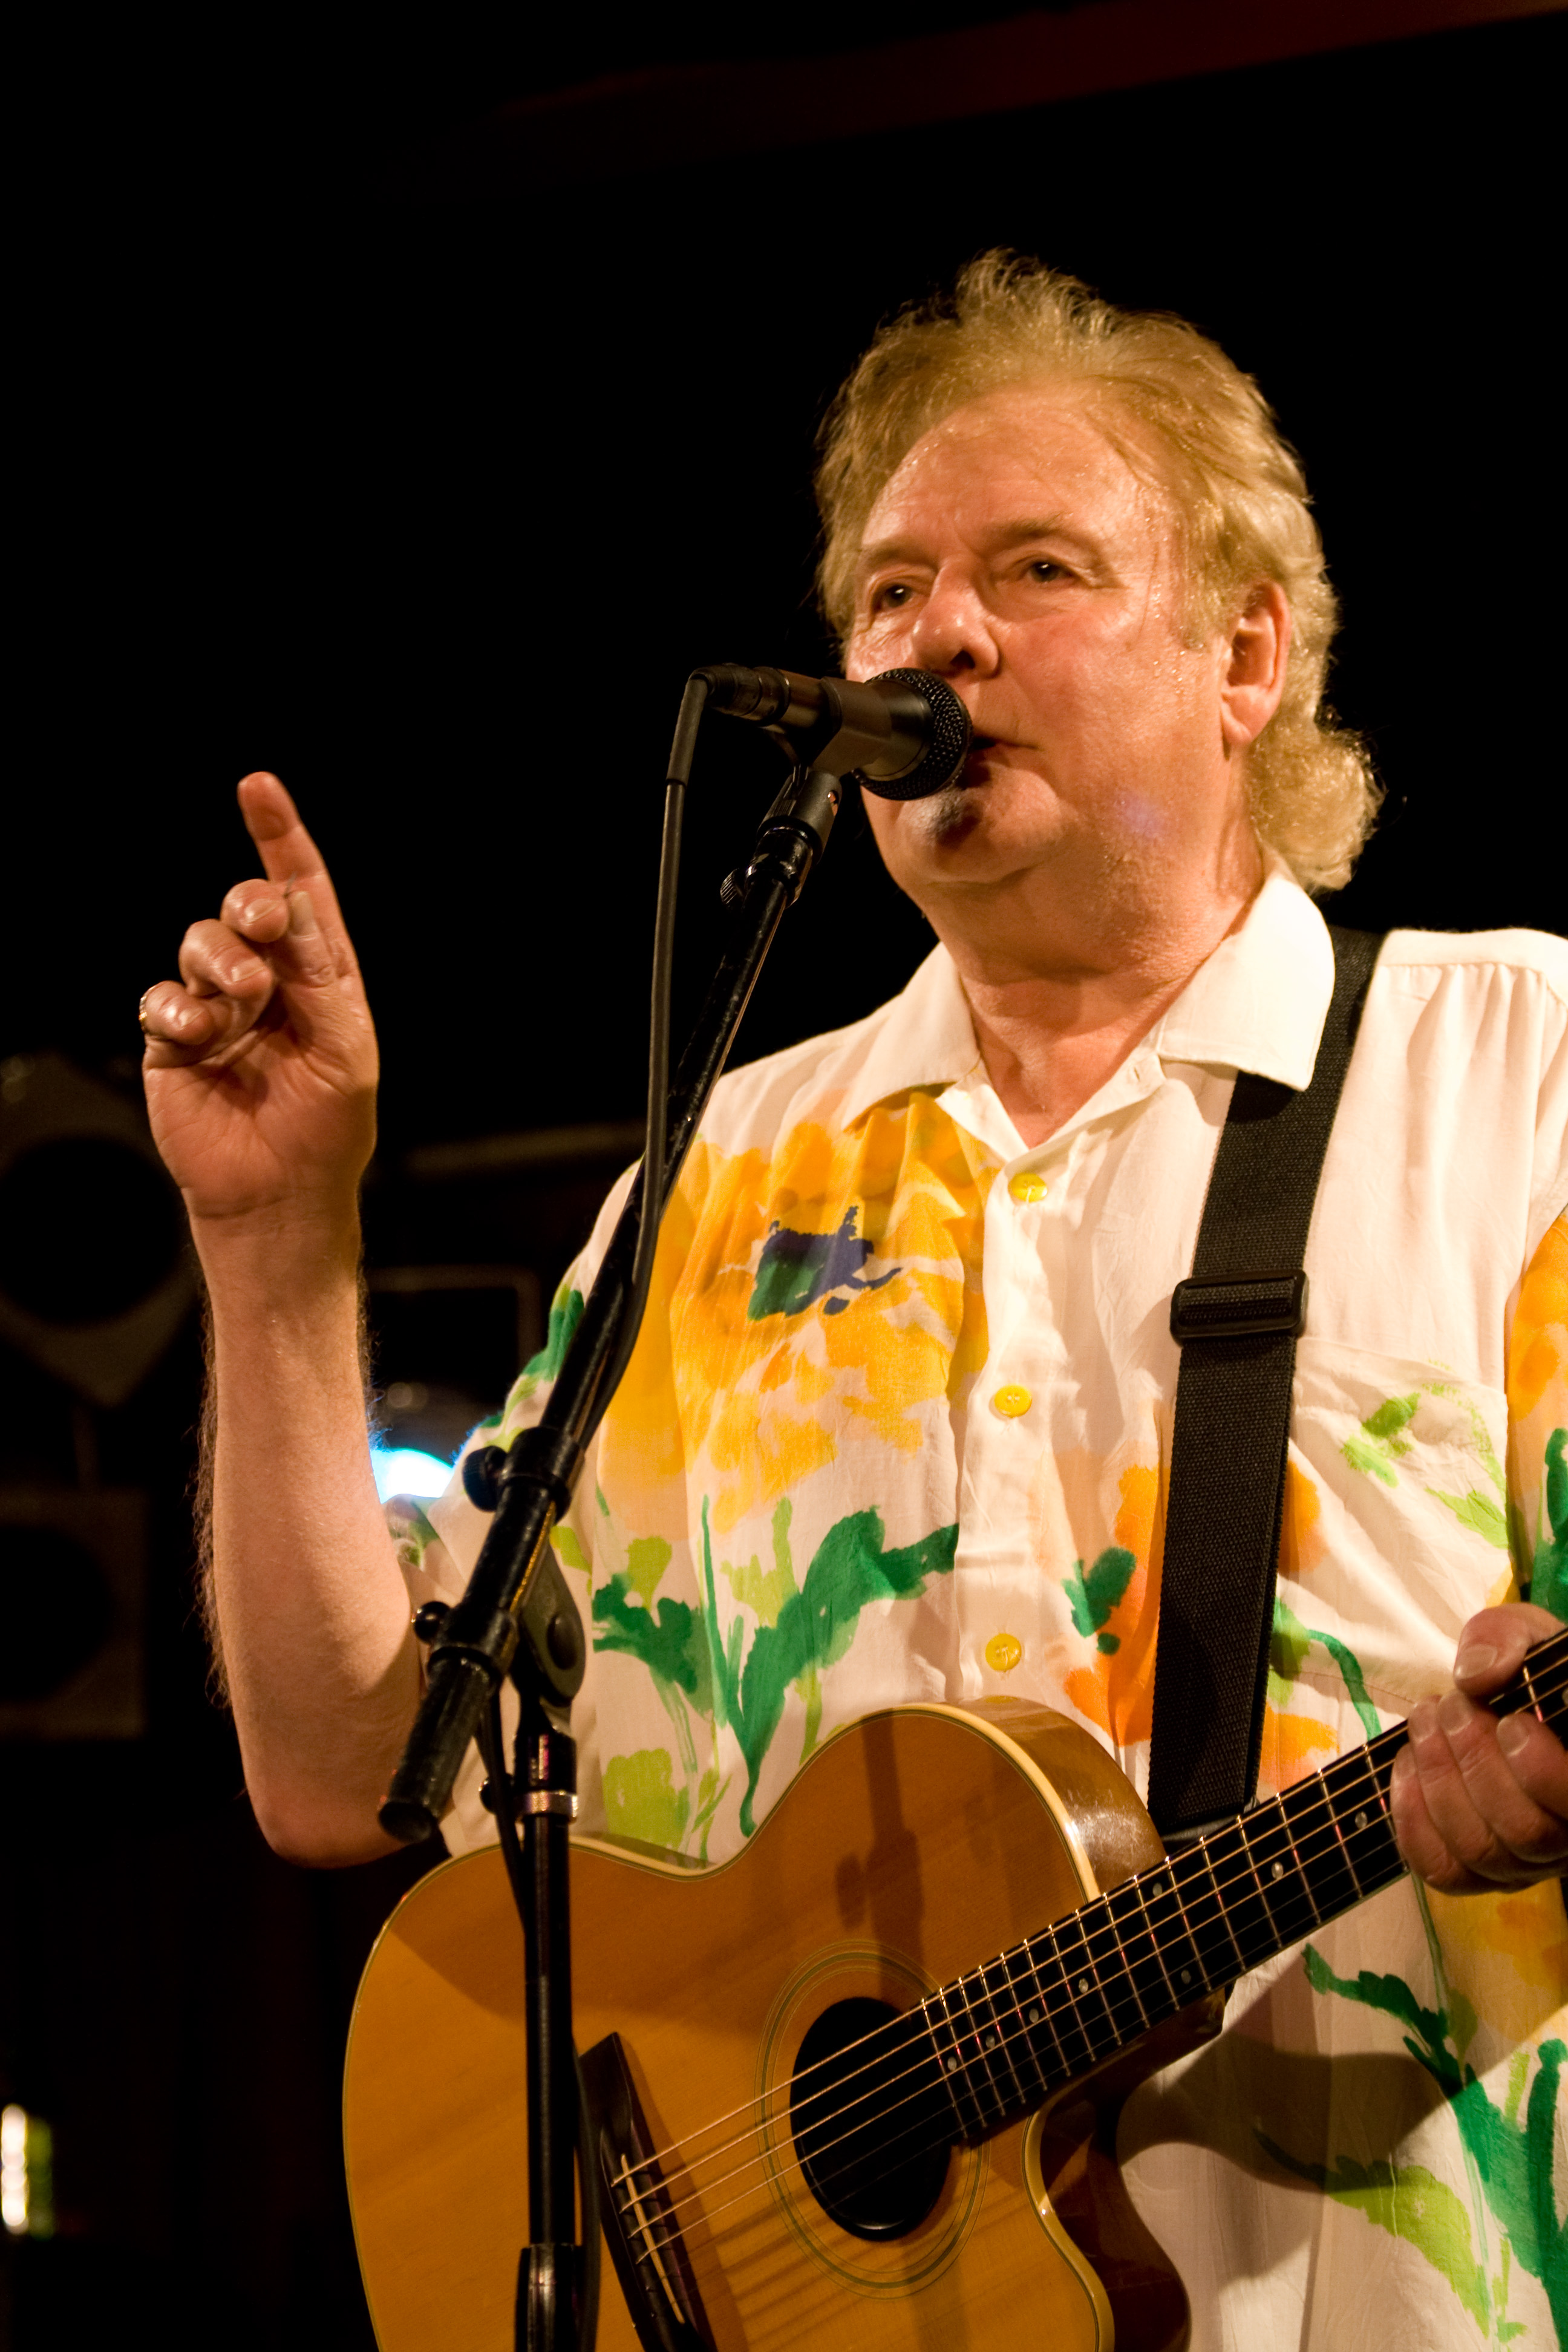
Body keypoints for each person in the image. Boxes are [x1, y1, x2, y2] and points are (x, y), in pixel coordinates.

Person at [142, 257, 1566, 2348]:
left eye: (1040, 568)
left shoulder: (1518, 1080)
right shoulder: (710, 1187)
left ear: (1249, 650)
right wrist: (275, 1258)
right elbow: (347, 1767)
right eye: (890, 593)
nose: (941, 635)